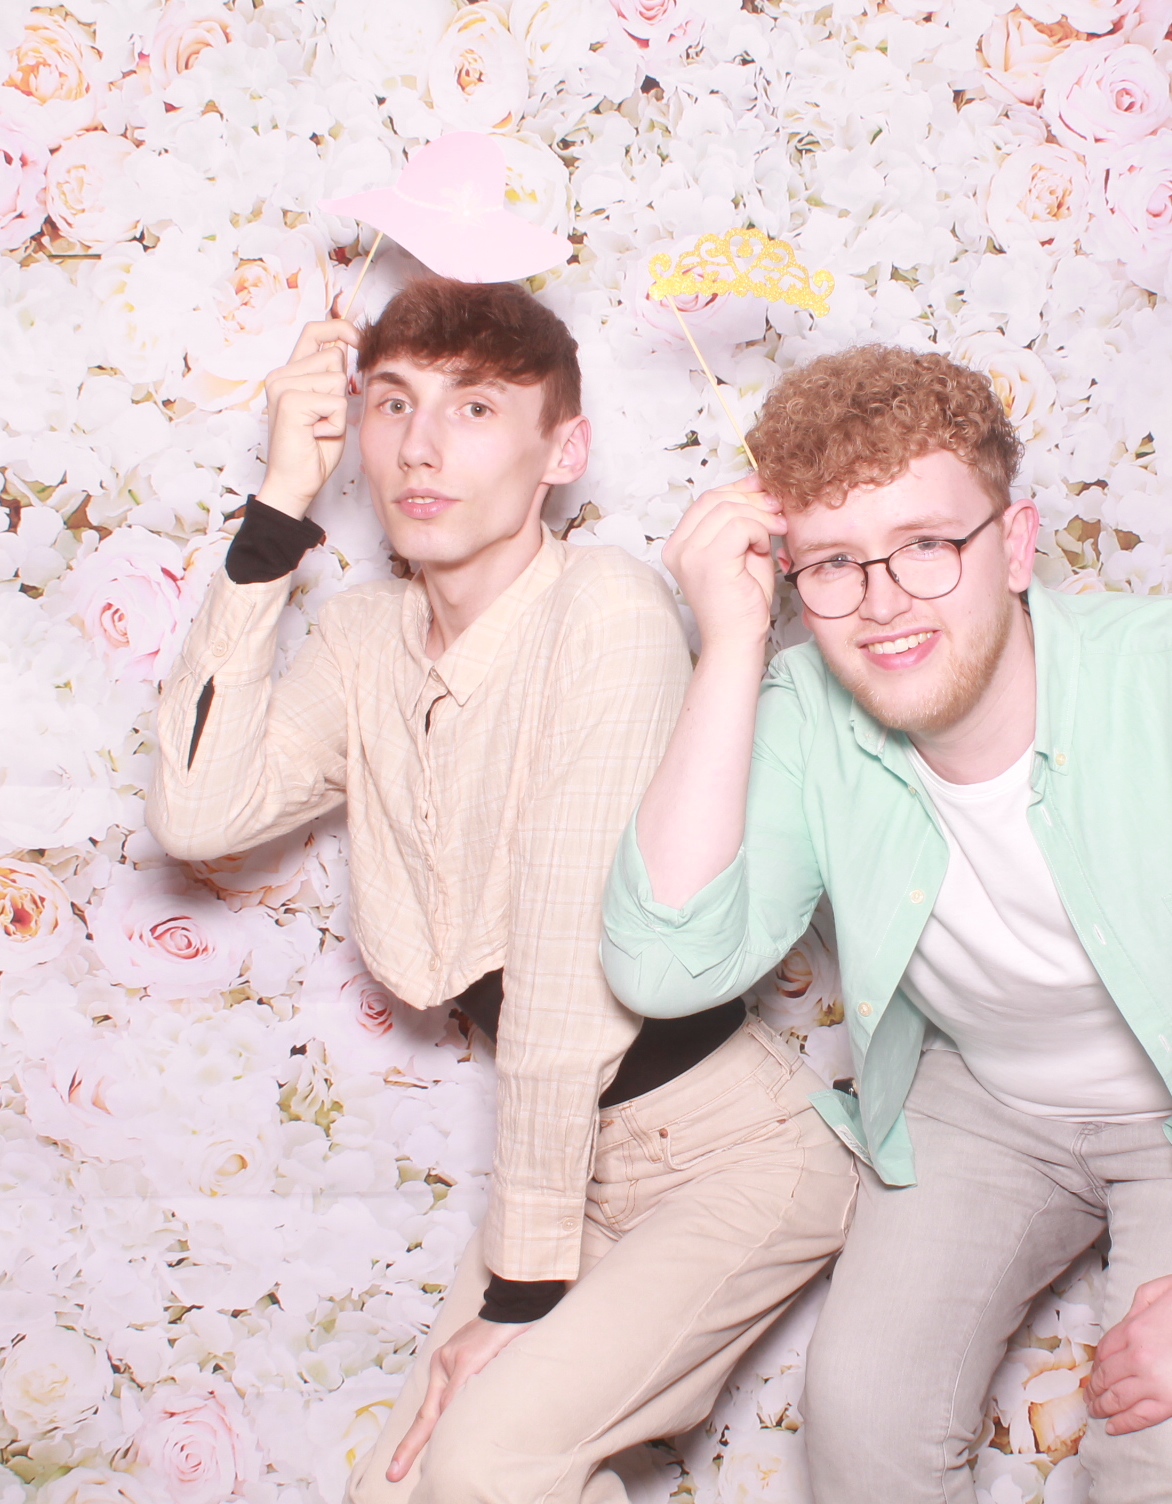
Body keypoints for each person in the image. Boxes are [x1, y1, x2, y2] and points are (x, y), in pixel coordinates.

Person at [601, 345, 1172, 1503]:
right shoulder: (803, 708)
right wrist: (731, 641)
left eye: (927, 545)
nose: (884, 602)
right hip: (983, 1103)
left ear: (1017, 545)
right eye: (834, 563)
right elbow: (664, 963)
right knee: (862, 1420)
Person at [145, 278, 855, 1504]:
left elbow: (571, 986)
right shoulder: (364, 640)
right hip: (575, 1161)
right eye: (392, 403)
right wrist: (278, 506)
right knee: (399, 1488)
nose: (420, 446)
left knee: (486, 1463)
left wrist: (522, 1295)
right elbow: (201, 811)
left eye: (475, 407)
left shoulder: (607, 608)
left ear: (562, 450)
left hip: (731, 1154)